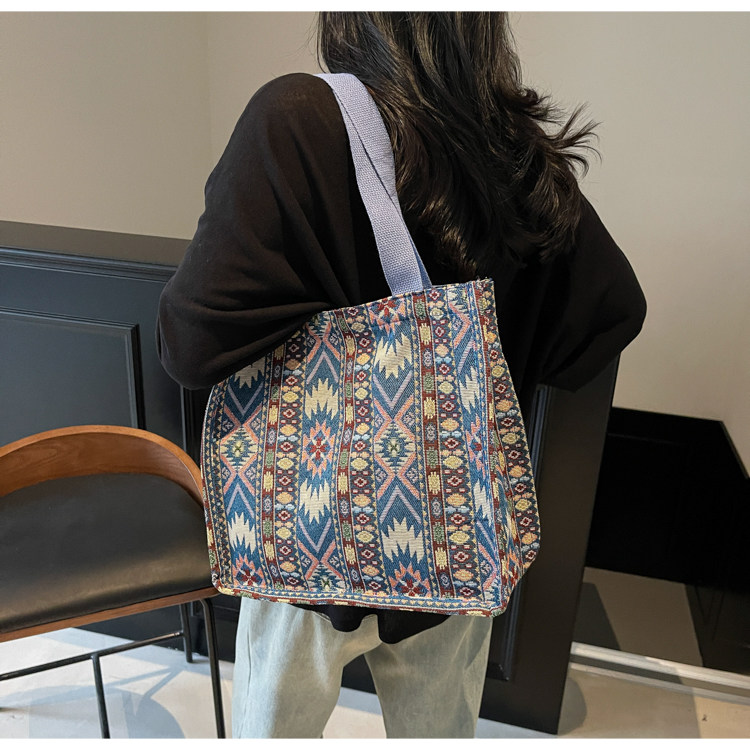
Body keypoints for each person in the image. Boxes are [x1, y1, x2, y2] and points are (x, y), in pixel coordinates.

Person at [156, 12, 646, 739]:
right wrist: (478, 366)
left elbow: (190, 346)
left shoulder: (295, 119)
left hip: (308, 545)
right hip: (453, 546)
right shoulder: (512, 147)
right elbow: (612, 310)